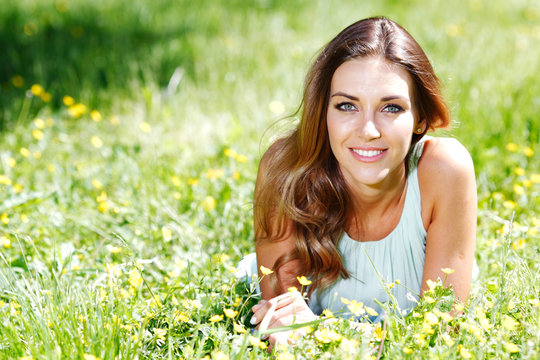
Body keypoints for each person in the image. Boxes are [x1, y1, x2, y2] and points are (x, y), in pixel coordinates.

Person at [242, 16, 477, 348]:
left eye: (391, 108)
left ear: (420, 118)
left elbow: (442, 335)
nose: (368, 130)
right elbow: (281, 327)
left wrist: (323, 335)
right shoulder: (286, 169)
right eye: (347, 105)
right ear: (323, 113)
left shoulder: (443, 170)